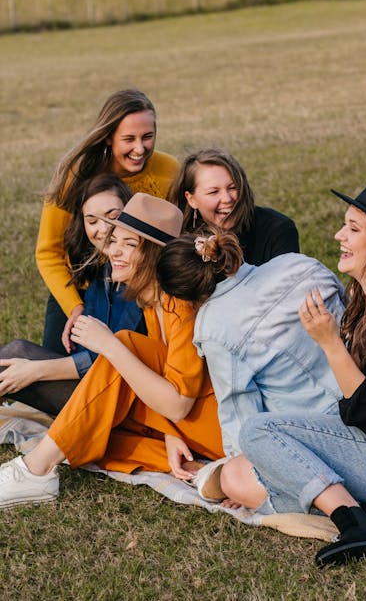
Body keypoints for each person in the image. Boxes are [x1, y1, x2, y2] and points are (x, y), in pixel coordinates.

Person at [160, 176, 366, 566]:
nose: (338, 235)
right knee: (245, 468)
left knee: (255, 438)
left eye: (352, 229)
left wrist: (330, 343)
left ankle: (355, 522)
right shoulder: (354, 295)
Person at [0, 194, 224, 509]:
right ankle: (198, 470)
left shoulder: (180, 304)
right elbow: (163, 382)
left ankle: (36, 469)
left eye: (129, 245)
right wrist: (170, 434)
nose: (113, 251)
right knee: (92, 433)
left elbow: (178, 405)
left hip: (217, 426)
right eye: (114, 241)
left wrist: (109, 344)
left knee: (124, 346)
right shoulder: (151, 300)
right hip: (184, 425)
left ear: (155, 255)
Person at [155, 230, 345, 466]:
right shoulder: (296, 262)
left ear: (185, 297)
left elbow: (240, 412)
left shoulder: (214, 326)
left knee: (218, 481)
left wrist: (239, 470)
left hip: (320, 431)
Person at [36, 88, 179, 354]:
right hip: (80, 287)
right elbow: (48, 253)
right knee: (52, 368)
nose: (140, 148)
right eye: (129, 139)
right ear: (108, 138)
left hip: (138, 291)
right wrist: (74, 307)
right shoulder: (75, 177)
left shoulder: (169, 170)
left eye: (148, 137)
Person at [0, 174, 145, 416]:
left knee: (17, 360)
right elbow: (85, 347)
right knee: (15, 355)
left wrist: (36, 371)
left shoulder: (139, 277)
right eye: (92, 221)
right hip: (96, 384)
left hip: (126, 402)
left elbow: (110, 357)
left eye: (113, 217)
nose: (103, 229)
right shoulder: (102, 270)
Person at [168, 148, 299, 265]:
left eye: (233, 187)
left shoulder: (277, 229)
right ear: (191, 199)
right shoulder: (180, 242)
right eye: (213, 192)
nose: (227, 199)